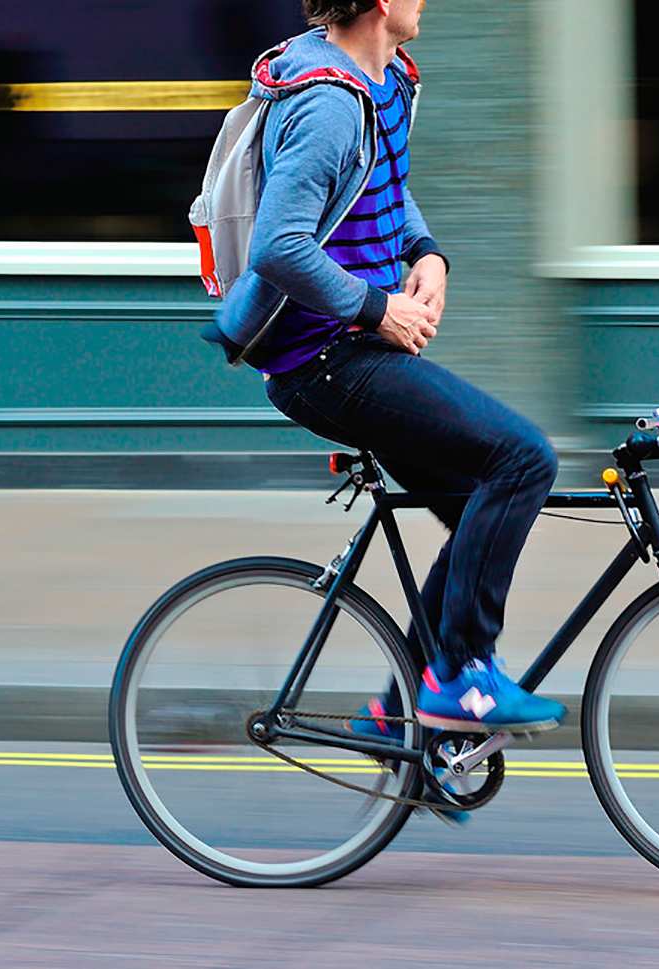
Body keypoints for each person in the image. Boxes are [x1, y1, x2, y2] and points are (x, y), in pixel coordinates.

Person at [201, 0, 565, 734]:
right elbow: (278, 244)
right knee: (524, 459)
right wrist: (379, 308)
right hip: (322, 359)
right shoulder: (329, 103)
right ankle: (460, 677)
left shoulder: (385, 78)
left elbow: (380, 182)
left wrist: (425, 252)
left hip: (353, 347)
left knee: (477, 512)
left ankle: (397, 719)